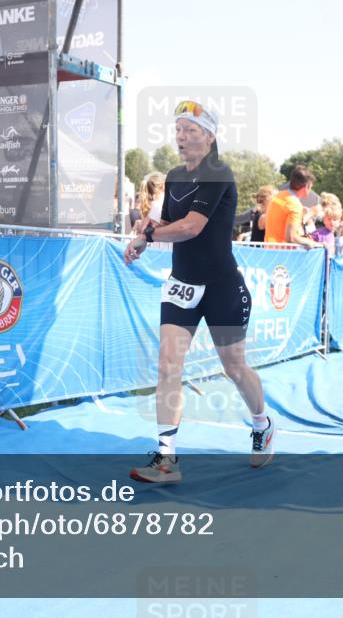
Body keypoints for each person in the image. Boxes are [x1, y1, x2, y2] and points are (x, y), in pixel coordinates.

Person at [124, 100, 274, 483]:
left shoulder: (218, 173)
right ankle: (166, 459)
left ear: (209, 136)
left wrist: (151, 233)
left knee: (234, 367)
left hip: (221, 286)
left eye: (190, 129)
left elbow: (191, 227)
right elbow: (170, 222)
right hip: (182, 284)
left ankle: (262, 423)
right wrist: (143, 237)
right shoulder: (174, 175)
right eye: (178, 129)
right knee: (168, 365)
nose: (181, 136)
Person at [264, 165, 322, 248]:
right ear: (306, 187)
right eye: (311, 187)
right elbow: (290, 237)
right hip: (283, 255)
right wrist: (311, 243)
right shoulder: (295, 205)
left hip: (269, 250)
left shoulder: (278, 195)